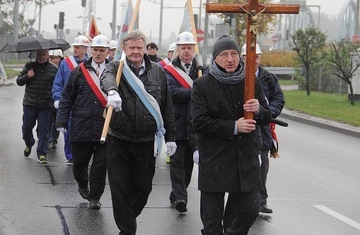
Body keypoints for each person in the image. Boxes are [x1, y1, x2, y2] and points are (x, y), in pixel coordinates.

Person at [191, 35, 271, 234]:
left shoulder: (251, 82)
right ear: (215, 58)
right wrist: (234, 127)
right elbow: (199, 122)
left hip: (245, 160)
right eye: (224, 54)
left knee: (250, 211)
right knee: (212, 223)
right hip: (215, 159)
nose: (230, 59)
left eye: (234, 54)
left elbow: (266, 116)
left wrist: (259, 109)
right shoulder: (202, 85)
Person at [100, 30, 176, 234]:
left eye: (139, 48)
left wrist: (172, 138)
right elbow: (106, 78)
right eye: (131, 48)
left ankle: (127, 217)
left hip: (145, 142)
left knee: (144, 189)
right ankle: (126, 229)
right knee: (120, 188)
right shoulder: (116, 68)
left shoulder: (158, 72)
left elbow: (166, 106)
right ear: (124, 49)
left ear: (145, 49)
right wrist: (112, 91)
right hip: (119, 140)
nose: (135, 51)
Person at [56, 34, 111, 209]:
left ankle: (95, 197)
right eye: (95, 50)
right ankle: (82, 183)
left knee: (100, 166)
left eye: (102, 50)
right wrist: (62, 122)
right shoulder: (79, 71)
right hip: (82, 125)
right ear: (90, 50)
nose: (98, 53)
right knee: (80, 163)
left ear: (108, 52)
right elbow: (66, 98)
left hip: (106, 127)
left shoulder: (115, 72)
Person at [242, 43, 285, 214]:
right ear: (243, 58)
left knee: (262, 165)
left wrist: (268, 112)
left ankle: (260, 201)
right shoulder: (236, 76)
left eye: (257, 57)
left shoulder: (269, 78)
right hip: (242, 127)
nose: (254, 60)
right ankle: (242, 200)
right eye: (249, 57)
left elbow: (279, 99)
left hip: (263, 128)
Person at [164, 31, 199, 213]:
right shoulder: (168, 70)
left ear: (194, 50)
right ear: (178, 49)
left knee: (188, 166)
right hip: (176, 124)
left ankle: (177, 192)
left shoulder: (200, 69)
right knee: (176, 164)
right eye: (183, 48)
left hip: (194, 126)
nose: (187, 51)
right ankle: (180, 199)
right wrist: (195, 92)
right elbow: (171, 92)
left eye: (189, 48)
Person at [52, 35, 90, 165]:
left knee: (84, 132)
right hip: (69, 104)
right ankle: (70, 156)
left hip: (85, 104)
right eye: (75, 47)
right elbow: (58, 83)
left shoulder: (90, 64)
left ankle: (83, 155)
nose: (75, 50)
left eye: (78, 47)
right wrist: (57, 98)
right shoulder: (65, 63)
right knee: (68, 131)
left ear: (85, 49)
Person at [17, 49, 58, 163]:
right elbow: (19, 81)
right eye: (39, 55)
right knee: (26, 128)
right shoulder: (29, 66)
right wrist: (27, 76)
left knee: (44, 130)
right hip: (30, 103)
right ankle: (29, 143)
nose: (41, 57)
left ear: (48, 55)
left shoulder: (53, 69)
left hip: (46, 105)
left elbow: (58, 86)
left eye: (44, 55)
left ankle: (42, 153)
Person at [48, 49, 64, 150]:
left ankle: (53, 139)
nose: (54, 60)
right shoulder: (46, 68)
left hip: (57, 99)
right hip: (46, 99)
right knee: (46, 120)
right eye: (52, 58)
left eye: (56, 58)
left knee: (55, 120)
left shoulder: (63, 69)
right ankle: (43, 135)